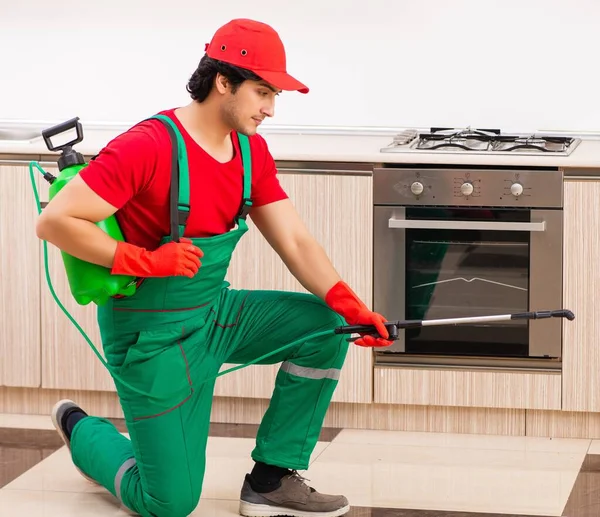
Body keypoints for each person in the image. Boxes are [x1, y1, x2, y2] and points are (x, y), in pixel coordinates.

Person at [35, 18, 392, 517]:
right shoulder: (148, 145)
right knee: (169, 502)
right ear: (223, 81)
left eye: (275, 95)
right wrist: (146, 259)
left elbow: (293, 237)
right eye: (263, 92)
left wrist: (347, 302)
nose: (270, 108)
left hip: (215, 313)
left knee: (329, 324)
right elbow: (56, 221)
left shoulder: (249, 151)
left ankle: (271, 479)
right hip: (150, 334)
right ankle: (83, 429)